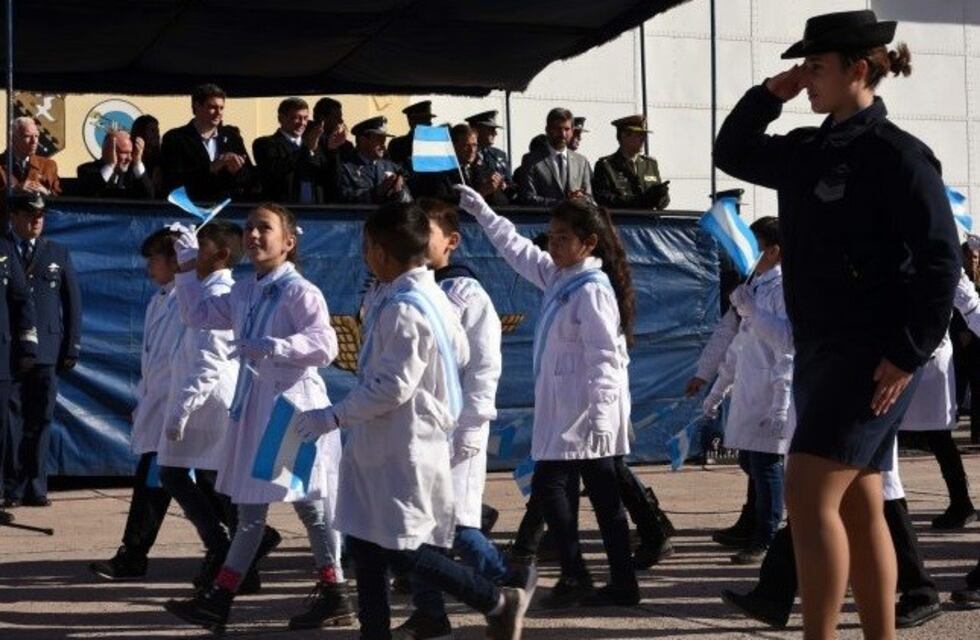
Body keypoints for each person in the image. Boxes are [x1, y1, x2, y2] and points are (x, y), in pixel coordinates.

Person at [714, 10, 962, 638]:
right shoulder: (808, 150)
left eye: (817, 67)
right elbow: (733, 151)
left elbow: (941, 259)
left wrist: (908, 353)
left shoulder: (899, 156)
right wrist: (775, 91)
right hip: (820, 350)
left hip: (871, 354)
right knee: (859, 504)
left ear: (858, 70)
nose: (807, 79)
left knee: (806, 494)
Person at [294, 201, 535, 640]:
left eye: (368, 248)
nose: (365, 256)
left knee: (401, 550)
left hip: (400, 448)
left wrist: (333, 416)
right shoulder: (429, 298)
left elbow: (391, 386)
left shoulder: (407, 307)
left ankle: (497, 600)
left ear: (381, 252)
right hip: (390, 444)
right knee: (367, 547)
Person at [165, 203, 350, 632]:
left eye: (263, 228)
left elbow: (326, 346)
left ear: (288, 241)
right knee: (260, 511)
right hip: (254, 411)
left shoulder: (300, 291)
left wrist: (276, 346)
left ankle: (325, 594)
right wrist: (188, 264)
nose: (252, 235)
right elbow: (196, 315)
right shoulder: (245, 290)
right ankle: (228, 599)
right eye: (248, 228)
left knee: (302, 509)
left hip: (290, 411)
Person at [459, 184, 638, 608]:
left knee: (563, 489)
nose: (553, 244)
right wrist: (484, 212)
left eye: (563, 238)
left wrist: (599, 415)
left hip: (588, 413)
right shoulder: (562, 277)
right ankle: (602, 578)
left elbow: (605, 358)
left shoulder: (591, 289)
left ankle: (586, 576)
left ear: (588, 243)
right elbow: (518, 250)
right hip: (568, 413)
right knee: (587, 495)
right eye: (552, 236)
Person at [389, 198, 513, 639]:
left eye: (429, 232)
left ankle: (507, 579)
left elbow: (483, 364)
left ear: (452, 242)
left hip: (456, 426)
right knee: (423, 525)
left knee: (456, 525)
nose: (418, 241)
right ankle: (430, 611)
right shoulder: (406, 286)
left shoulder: (465, 292)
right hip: (422, 428)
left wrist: (475, 423)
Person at [721, 442, 943, 629]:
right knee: (820, 499)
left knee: (864, 500)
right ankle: (773, 594)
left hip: (858, 411)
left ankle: (921, 593)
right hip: (827, 407)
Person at [89, 228, 183, 581]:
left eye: (154, 259)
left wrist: (172, 406)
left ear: (175, 260)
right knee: (165, 483)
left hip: (178, 411)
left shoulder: (188, 302)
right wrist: (145, 401)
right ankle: (134, 553)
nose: (148, 266)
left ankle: (134, 554)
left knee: (186, 482)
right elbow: (153, 360)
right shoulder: (160, 299)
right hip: (159, 408)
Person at [155, 221, 243, 591]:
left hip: (207, 402)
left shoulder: (221, 291)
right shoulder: (203, 289)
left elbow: (209, 360)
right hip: (196, 399)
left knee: (194, 478)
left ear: (221, 255)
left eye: (199, 247)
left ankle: (224, 549)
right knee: (208, 481)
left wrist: (181, 408)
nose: (188, 253)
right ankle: (234, 553)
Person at [703, 217, 793, 565]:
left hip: (772, 389)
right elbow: (741, 342)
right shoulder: (755, 286)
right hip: (750, 385)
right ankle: (754, 522)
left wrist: (781, 405)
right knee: (749, 459)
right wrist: (718, 389)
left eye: (756, 246)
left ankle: (767, 535)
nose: (751, 254)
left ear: (774, 251)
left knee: (766, 464)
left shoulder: (785, 287)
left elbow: (786, 341)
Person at [2, 194, 81, 509]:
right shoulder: (4, 248)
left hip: (47, 349)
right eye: (29, 214)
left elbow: (72, 301)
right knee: (10, 421)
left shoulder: (56, 252)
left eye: (41, 215)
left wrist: (72, 344)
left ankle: (36, 484)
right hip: (9, 349)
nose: (36, 221)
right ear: (15, 216)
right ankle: (12, 487)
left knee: (41, 418)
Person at [0, 205, 37, 517]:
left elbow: (21, 298)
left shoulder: (4, 249)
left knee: (2, 428)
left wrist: (27, 345)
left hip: (1, 356)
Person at [161, 83, 256, 201]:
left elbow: (250, 178)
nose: (218, 113)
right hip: (191, 208)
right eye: (212, 107)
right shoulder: (175, 138)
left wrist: (237, 171)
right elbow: (172, 180)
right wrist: (210, 168)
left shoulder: (232, 136)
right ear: (197, 106)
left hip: (229, 210)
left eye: (221, 108)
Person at [410, 124, 508, 205]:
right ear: (453, 146)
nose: (472, 150)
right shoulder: (439, 174)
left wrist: (495, 190)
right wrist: (480, 193)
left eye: (474, 145)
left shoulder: (483, 171)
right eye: (466, 146)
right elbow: (443, 202)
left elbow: (503, 203)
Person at [518, 108, 592, 207]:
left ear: (572, 131)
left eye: (567, 129)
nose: (563, 134)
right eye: (558, 129)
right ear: (547, 130)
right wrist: (562, 204)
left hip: (575, 221)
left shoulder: (581, 161)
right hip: (544, 221)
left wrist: (582, 198)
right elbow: (528, 197)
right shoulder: (531, 160)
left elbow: (590, 198)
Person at [593, 115, 670, 210]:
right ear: (624, 136)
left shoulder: (650, 164)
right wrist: (639, 201)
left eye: (644, 135)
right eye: (639, 135)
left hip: (649, 223)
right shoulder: (606, 165)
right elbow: (604, 199)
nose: (643, 139)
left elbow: (662, 202)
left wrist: (662, 197)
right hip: (622, 223)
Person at [338, 116, 411, 205]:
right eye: (379, 139)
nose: (383, 145)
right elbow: (344, 199)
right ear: (363, 140)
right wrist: (376, 192)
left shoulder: (392, 167)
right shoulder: (346, 168)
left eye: (384, 140)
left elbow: (409, 201)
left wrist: (399, 193)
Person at [295, 97, 355, 204]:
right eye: (336, 117)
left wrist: (334, 150)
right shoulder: (304, 139)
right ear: (322, 118)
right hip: (312, 199)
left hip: (339, 200)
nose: (341, 121)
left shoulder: (346, 146)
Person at [251, 97, 312, 202]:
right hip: (282, 209)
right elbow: (274, 171)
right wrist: (307, 148)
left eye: (305, 118)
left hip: (316, 210)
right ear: (281, 118)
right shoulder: (265, 143)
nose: (302, 123)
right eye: (296, 118)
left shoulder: (314, 145)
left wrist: (333, 150)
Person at [952, 241, 980, 444]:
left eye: (975, 256)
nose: (972, 260)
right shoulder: (958, 279)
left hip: (976, 344)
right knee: (956, 389)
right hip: (958, 343)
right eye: (968, 256)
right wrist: (962, 330)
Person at [76, 130, 155, 199]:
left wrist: (138, 162)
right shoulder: (86, 170)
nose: (129, 158)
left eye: (130, 153)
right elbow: (89, 193)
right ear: (107, 152)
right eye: (124, 152)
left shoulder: (135, 174)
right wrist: (111, 165)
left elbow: (149, 196)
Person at [0, 116, 61, 198]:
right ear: (13, 138)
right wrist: (14, 190)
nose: (34, 141)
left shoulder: (49, 165)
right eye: (27, 136)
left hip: (39, 210)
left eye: (36, 136)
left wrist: (46, 193)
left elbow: (60, 198)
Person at [465, 110, 514, 188]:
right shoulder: (465, 154)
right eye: (491, 129)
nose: (495, 134)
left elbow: (510, 183)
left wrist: (504, 185)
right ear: (477, 130)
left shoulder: (499, 155)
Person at [388, 100, 436, 167]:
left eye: (429, 120)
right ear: (412, 122)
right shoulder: (397, 144)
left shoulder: (435, 144)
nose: (430, 124)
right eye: (425, 120)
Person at [131, 115, 163, 195]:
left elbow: (153, 192)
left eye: (157, 131)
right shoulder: (128, 157)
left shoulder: (161, 159)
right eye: (152, 131)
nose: (157, 135)